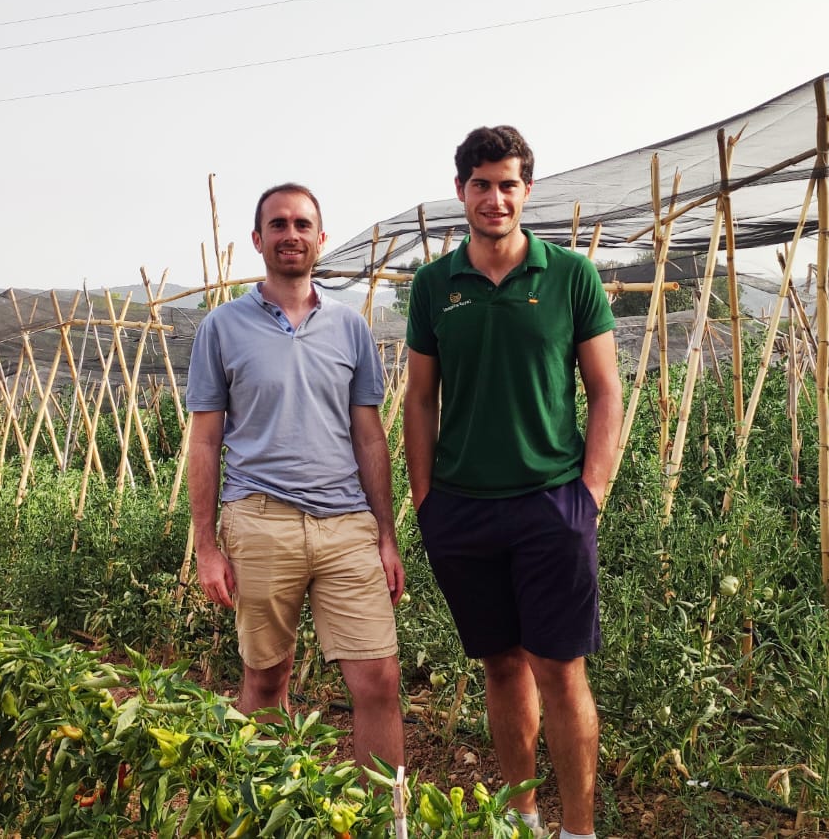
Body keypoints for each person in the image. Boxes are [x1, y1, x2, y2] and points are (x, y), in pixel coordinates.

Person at [403, 126, 622, 839]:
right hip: (462, 511)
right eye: (480, 184)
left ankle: (579, 829)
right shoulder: (435, 286)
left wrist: (590, 494)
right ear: (461, 191)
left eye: (507, 184)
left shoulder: (569, 276)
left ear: (526, 190)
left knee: (560, 669)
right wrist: (425, 500)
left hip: (550, 503)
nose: (494, 198)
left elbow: (605, 390)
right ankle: (524, 818)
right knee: (501, 666)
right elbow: (419, 399)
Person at [186, 182, 405, 772]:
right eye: (278, 225)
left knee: (380, 679)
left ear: (320, 238)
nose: (291, 235)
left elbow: (369, 435)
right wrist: (206, 547)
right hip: (260, 520)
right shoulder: (222, 328)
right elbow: (204, 442)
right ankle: (262, 813)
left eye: (302, 225)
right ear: (258, 240)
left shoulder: (349, 327)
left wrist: (385, 534)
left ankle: (381, 823)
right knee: (265, 678)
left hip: (346, 526)